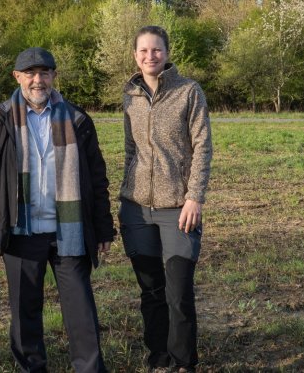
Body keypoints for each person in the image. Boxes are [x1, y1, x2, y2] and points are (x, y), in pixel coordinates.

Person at [0, 47, 115, 373]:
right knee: (25, 313)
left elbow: (97, 178)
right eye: (31, 73)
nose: (38, 80)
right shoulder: (1, 119)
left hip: (69, 232)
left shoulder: (77, 119)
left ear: (53, 76)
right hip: (22, 231)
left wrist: (104, 228)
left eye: (45, 72)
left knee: (81, 312)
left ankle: (89, 368)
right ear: (17, 77)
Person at [120, 26, 213, 373]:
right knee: (151, 292)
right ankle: (157, 358)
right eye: (143, 51)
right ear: (135, 55)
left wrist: (195, 197)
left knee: (178, 293)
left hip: (178, 208)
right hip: (136, 209)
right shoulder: (129, 95)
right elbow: (131, 150)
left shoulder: (189, 91)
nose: (150, 56)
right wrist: (125, 194)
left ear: (167, 52)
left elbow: (203, 147)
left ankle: (183, 362)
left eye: (156, 50)